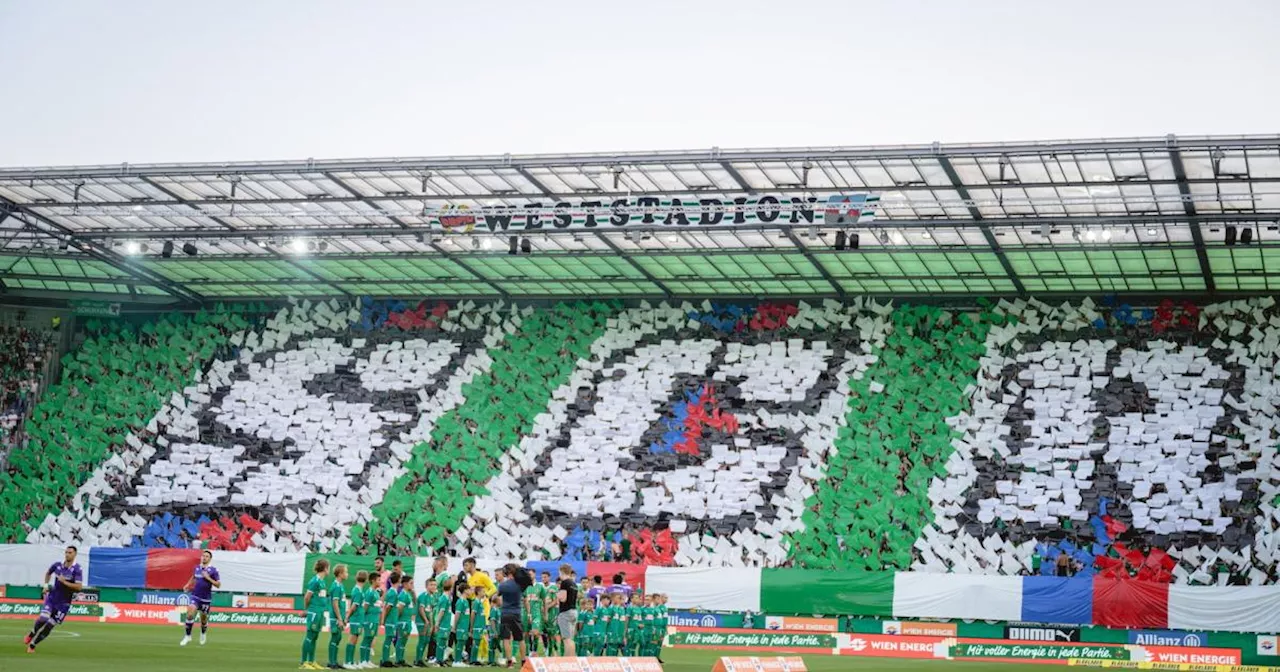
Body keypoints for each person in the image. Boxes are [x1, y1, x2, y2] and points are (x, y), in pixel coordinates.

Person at [24, 545, 83, 655]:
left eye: (70, 552)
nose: (67, 554)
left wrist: (64, 582)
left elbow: (79, 587)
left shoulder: (77, 569)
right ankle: (32, 632)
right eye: (66, 552)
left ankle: (33, 645)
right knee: (43, 618)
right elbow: (48, 573)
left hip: (64, 604)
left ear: (75, 554)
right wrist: (45, 586)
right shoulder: (58, 565)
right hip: (52, 598)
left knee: (49, 626)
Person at [180, 549, 221, 647]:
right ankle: (187, 636)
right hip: (195, 596)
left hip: (206, 599)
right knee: (190, 613)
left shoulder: (213, 570)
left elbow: (218, 585)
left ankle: (203, 633)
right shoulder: (197, 568)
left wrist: (208, 578)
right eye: (204, 556)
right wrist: (187, 584)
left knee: (203, 619)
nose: (204, 557)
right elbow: (194, 577)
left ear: (210, 559)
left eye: (207, 556)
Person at [301, 559, 331, 670]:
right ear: (325, 568)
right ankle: (303, 662)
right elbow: (307, 597)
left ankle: (311, 661)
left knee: (315, 637)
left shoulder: (322, 582)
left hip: (320, 612)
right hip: (314, 612)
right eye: (328, 568)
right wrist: (306, 610)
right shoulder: (315, 581)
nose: (329, 570)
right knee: (309, 636)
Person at [497, 564, 527, 669]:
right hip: (516, 613)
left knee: (506, 638)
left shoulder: (502, 585)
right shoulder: (520, 585)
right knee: (520, 639)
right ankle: (523, 661)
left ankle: (509, 662)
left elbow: (498, 595)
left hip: (505, 612)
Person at [553, 564, 579, 657]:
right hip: (574, 611)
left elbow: (563, 598)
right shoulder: (574, 583)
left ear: (561, 571)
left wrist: (556, 593)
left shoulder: (565, 582)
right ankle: (571, 659)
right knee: (571, 639)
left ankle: (567, 660)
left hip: (565, 612)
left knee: (567, 639)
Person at [327, 565, 350, 669]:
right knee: (335, 637)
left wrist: (344, 617)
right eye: (346, 572)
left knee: (338, 638)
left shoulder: (340, 585)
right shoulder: (336, 586)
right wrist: (340, 619)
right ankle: (331, 662)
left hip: (339, 617)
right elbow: (335, 603)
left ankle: (334, 661)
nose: (347, 574)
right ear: (340, 574)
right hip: (335, 618)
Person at [346, 570, 370, 670]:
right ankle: (348, 661)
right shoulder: (357, 590)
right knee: (352, 639)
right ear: (366, 579)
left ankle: (351, 661)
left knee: (355, 639)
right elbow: (354, 606)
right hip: (356, 618)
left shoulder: (359, 590)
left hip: (358, 618)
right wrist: (348, 616)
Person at [378, 571, 402, 668]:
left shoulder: (392, 592)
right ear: (399, 580)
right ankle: (385, 660)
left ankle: (385, 659)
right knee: (388, 639)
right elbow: (387, 607)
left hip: (392, 619)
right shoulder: (393, 592)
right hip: (391, 620)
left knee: (389, 638)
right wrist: (384, 619)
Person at [360, 571, 383, 668]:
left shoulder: (376, 593)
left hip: (375, 619)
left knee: (370, 640)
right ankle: (362, 661)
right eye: (378, 580)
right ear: (373, 581)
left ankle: (367, 660)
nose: (380, 581)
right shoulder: (369, 592)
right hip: (369, 619)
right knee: (366, 639)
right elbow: (365, 607)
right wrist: (362, 620)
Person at [413, 577, 436, 667]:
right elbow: (421, 609)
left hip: (427, 622)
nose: (434, 587)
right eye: (431, 585)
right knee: (422, 640)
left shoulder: (431, 597)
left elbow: (430, 611)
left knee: (426, 640)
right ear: (426, 586)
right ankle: (417, 660)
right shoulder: (423, 596)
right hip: (421, 621)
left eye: (435, 585)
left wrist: (431, 624)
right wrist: (426, 621)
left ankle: (419, 659)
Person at [433, 577, 455, 666]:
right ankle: (438, 660)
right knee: (441, 643)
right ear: (451, 587)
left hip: (446, 624)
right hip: (443, 624)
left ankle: (441, 660)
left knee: (443, 643)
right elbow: (441, 611)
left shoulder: (447, 597)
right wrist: (437, 624)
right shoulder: (444, 598)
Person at [394, 574, 414, 667]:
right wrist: (398, 621)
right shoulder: (403, 594)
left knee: (403, 641)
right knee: (401, 640)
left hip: (407, 621)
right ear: (405, 584)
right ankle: (398, 660)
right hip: (403, 622)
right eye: (411, 583)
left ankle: (401, 659)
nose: (412, 585)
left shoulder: (407, 594)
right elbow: (399, 609)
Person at [468, 584, 487, 665]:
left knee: (478, 643)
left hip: (480, 626)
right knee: (475, 643)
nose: (484, 593)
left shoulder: (479, 602)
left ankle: (475, 659)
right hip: (477, 626)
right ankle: (472, 660)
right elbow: (473, 614)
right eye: (483, 591)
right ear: (478, 592)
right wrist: (472, 626)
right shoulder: (476, 602)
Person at [487, 594, 504, 666]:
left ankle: (493, 660)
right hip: (494, 631)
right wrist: (494, 631)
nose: (502, 602)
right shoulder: (494, 610)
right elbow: (492, 621)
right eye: (501, 600)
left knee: (494, 646)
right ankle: (490, 661)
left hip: (498, 630)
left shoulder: (498, 610)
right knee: (491, 646)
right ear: (497, 601)